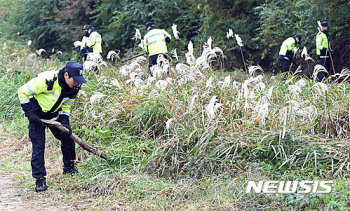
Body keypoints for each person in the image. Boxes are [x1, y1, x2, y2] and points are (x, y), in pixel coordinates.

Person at [18, 61, 87, 192]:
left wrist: (65, 121)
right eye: (75, 80)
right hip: (37, 114)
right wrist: (30, 114)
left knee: (68, 138)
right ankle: (40, 180)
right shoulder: (47, 80)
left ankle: (69, 167)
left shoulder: (75, 88)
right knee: (39, 146)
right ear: (66, 75)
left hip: (54, 115)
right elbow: (22, 92)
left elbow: (66, 106)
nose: (77, 83)